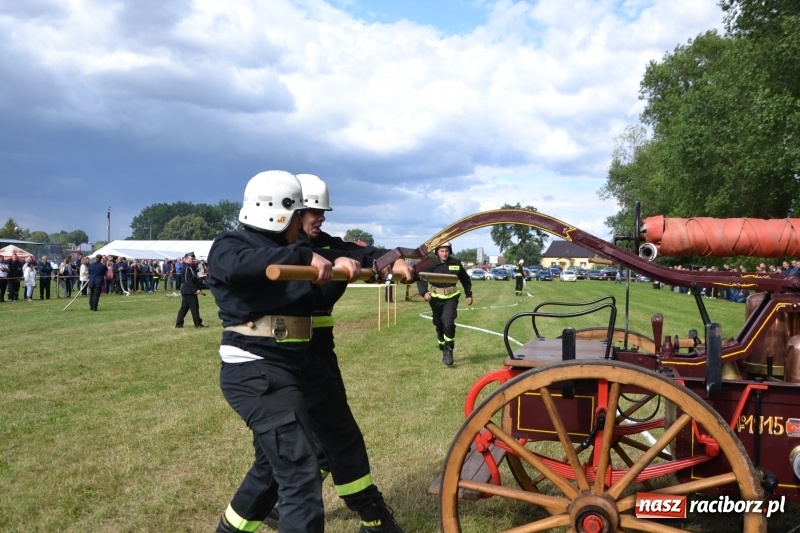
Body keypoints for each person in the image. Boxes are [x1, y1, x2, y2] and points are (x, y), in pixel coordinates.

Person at [208, 170, 359, 533]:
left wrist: (388, 260)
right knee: (301, 473)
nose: (307, 223)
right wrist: (304, 254)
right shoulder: (231, 244)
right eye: (300, 215)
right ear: (283, 214)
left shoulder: (292, 251)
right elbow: (235, 265)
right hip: (256, 372)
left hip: (289, 370)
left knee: (271, 468)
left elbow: (343, 252)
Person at [266, 172, 407, 532]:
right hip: (288, 355)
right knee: (338, 435)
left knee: (320, 442)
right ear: (294, 210)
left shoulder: (324, 244)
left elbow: (355, 251)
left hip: (318, 352)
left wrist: (392, 259)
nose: (321, 218)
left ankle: (275, 507)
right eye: (314, 211)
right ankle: (373, 518)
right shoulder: (270, 248)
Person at [416, 242, 473, 366]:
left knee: (448, 322)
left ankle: (449, 350)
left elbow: (465, 279)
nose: (444, 253)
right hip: (435, 298)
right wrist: (424, 292)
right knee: (439, 323)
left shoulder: (456, 264)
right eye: (442, 251)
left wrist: (468, 294)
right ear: (437, 252)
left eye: (446, 251)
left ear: (450, 251)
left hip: (451, 297)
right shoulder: (431, 264)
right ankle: (442, 343)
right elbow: (421, 278)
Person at [174, 252, 207, 328]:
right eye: (192, 259)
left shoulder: (190, 267)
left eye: (193, 259)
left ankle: (178, 324)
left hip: (188, 291)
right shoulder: (186, 267)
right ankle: (198, 324)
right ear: (186, 259)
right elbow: (188, 280)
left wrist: (199, 287)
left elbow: (193, 279)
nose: (193, 260)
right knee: (194, 307)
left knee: (184, 308)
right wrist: (195, 289)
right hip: (189, 291)